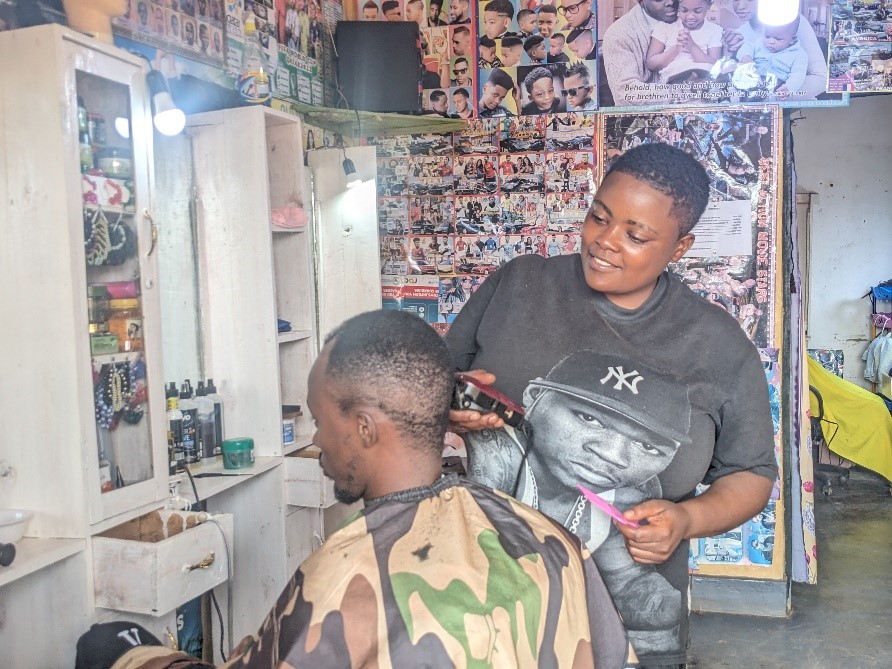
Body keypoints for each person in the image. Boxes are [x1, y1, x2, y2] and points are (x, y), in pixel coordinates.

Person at [76, 310, 629, 669]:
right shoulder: (550, 538)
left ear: (363, 428)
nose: (317, 442)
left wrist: (133, 657)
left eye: (320, 420)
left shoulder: (342, 580)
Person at [445, 143, 777, 667]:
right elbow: (435, 382)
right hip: (479, 610)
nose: (604, 242)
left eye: (636, 235)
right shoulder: (520, 286)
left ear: (680, 247)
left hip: (627, 634)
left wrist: (687, 520)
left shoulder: (718, 346)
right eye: (598, 217)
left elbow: (751, 474)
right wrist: (448, 404)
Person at [718, 0, 827, 100]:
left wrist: (774, 97)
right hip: (749, 107)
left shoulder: (790, 21)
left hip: (787, 104)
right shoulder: (740, 33)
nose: (740, 6)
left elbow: (821, 79)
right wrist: (730, 53)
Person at [645, 0, 722, 84]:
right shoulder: (665, 26)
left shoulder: (714, 30)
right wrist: (677, 48)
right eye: (684, 10)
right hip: (673, 79)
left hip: (702, 78)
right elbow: (651, 65)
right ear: (678, 6)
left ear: (709, 5)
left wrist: (692, 46)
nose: (690, 17)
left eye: (697, 11)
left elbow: (715, 64)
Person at [736, 16, 808, 97]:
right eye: (767, 36)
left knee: (764, 93)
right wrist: (746, 57)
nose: (771, 41)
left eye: (778, 39)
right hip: (753, 75)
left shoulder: (799, 55)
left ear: (792, 39)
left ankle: (741, 98)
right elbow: (747, 46)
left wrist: (788, 88)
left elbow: (798, 75)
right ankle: (731, 97)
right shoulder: (759, 42)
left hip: (775, 82)